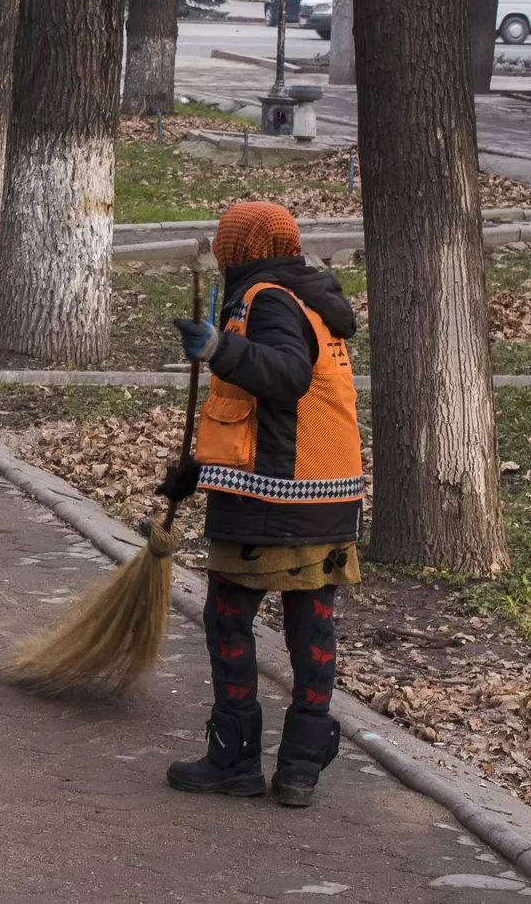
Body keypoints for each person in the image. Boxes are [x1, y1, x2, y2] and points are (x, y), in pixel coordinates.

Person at [158, 201, 364, 808]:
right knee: (310, 626)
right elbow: (261, 412)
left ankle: (234, 758)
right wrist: (196, 474)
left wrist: (219, 348)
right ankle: (301, 768)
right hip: (328, 491)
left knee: (227, 618)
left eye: (226, 244)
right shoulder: (310, 296)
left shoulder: (267, 297)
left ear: (239, 249)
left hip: (276, 496)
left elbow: (287, 376)